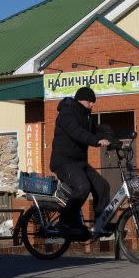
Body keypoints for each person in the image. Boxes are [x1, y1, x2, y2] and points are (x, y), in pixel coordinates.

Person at [49, 86, 113, 238]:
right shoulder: (67, 113)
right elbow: (78, 133)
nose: (92, 105)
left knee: (102, 186)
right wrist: (97, 141)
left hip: (79, 163)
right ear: (82, 100)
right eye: (91, 102)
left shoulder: (86, 116)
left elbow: (94, 131)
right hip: (64, 162)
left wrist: (113, 138)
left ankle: (100, 225)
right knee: (83, 187)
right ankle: (65, 221)